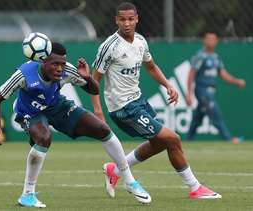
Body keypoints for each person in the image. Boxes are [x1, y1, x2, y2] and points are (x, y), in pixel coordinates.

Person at [0, 42, 151, 208]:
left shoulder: (68, 70)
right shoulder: (24, 74)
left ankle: (129, 181)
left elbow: (94, 90)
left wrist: (87, 77)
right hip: (30, 113)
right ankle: (27, 195)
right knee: (44, 138)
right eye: (55, 64)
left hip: (57, 106)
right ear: (42, 61)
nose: (60, 69)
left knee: (103, 129)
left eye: (62, 64)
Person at [91, 2, 221, 200]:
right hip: (123, 107)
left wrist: (168, 85)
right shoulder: (110, 46)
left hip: (138, 100)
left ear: (137, 19)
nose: (127, 23)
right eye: (122, 19)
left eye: (130, 19)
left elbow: (151, 67)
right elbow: (94, 80)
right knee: (173, 139)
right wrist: (98, 112)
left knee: (160, 143)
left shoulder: (141, 41)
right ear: (116, 20)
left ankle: (115, 170)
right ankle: (195, 188)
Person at [186, 31, 246, 143]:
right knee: (215, 114)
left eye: (213, 39)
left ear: (216, 41)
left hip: (211, 91)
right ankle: (229, 139)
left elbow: (224, 75)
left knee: (197, 118)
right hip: (202, 91)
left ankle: (187, 141)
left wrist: (237, 81)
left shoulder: (216, 58)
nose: (210, 41)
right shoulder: (200, 56)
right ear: (204, 40)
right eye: (208, 39)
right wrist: (189, 94)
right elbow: (191, 74)